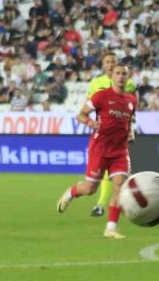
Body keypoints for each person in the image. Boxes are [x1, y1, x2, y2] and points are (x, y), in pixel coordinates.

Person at [57, 61, 137, 239]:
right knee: (90, 188)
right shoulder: (101, 96)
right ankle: (71, 192)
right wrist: (90, 123)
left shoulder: (132, 100)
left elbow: (129, 120)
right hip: (100, 149)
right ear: (112, 76)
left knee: (120, 187)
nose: (121, 77)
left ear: (128, 76)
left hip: (120, 151)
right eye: (118, 73)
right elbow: (80, 115)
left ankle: (110, 228)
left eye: (124, 74)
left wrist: (130, 132)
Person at [85, 53, 137, 218]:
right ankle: (101, 203)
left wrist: (131, 129)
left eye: (112, 62)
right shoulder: (96, 83)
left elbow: (131, 109)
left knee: (115, 177)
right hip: (102, 133)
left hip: (119, 137)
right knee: (93, 184)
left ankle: (101, 205)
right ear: (103, 64)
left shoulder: (128, 84)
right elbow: (87, 106)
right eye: (107, 62)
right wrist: (89, 122)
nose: (110, 64)